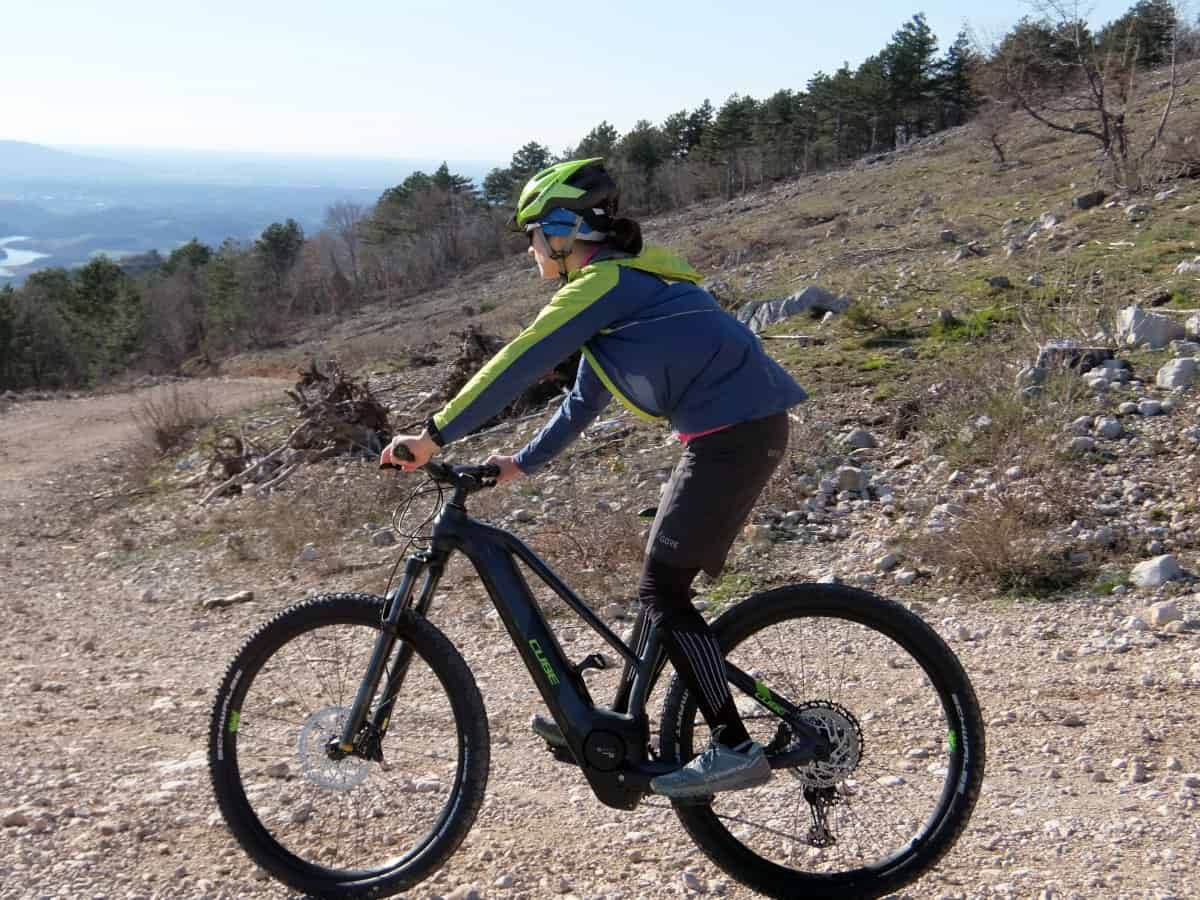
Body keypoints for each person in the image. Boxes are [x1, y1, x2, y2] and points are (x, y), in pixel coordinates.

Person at [382, 158, 807, 798]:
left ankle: (732, 744)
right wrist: (520, 463)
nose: (531, 251)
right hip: (728, 434)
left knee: (663, 590)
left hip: (735, 436)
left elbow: (520, 358)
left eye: (533, 236)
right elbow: (583, 400)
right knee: (657, 582)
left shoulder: (603, 285)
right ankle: (613, 727)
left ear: (561, 232)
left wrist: (433, 432)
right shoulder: (624, 288)